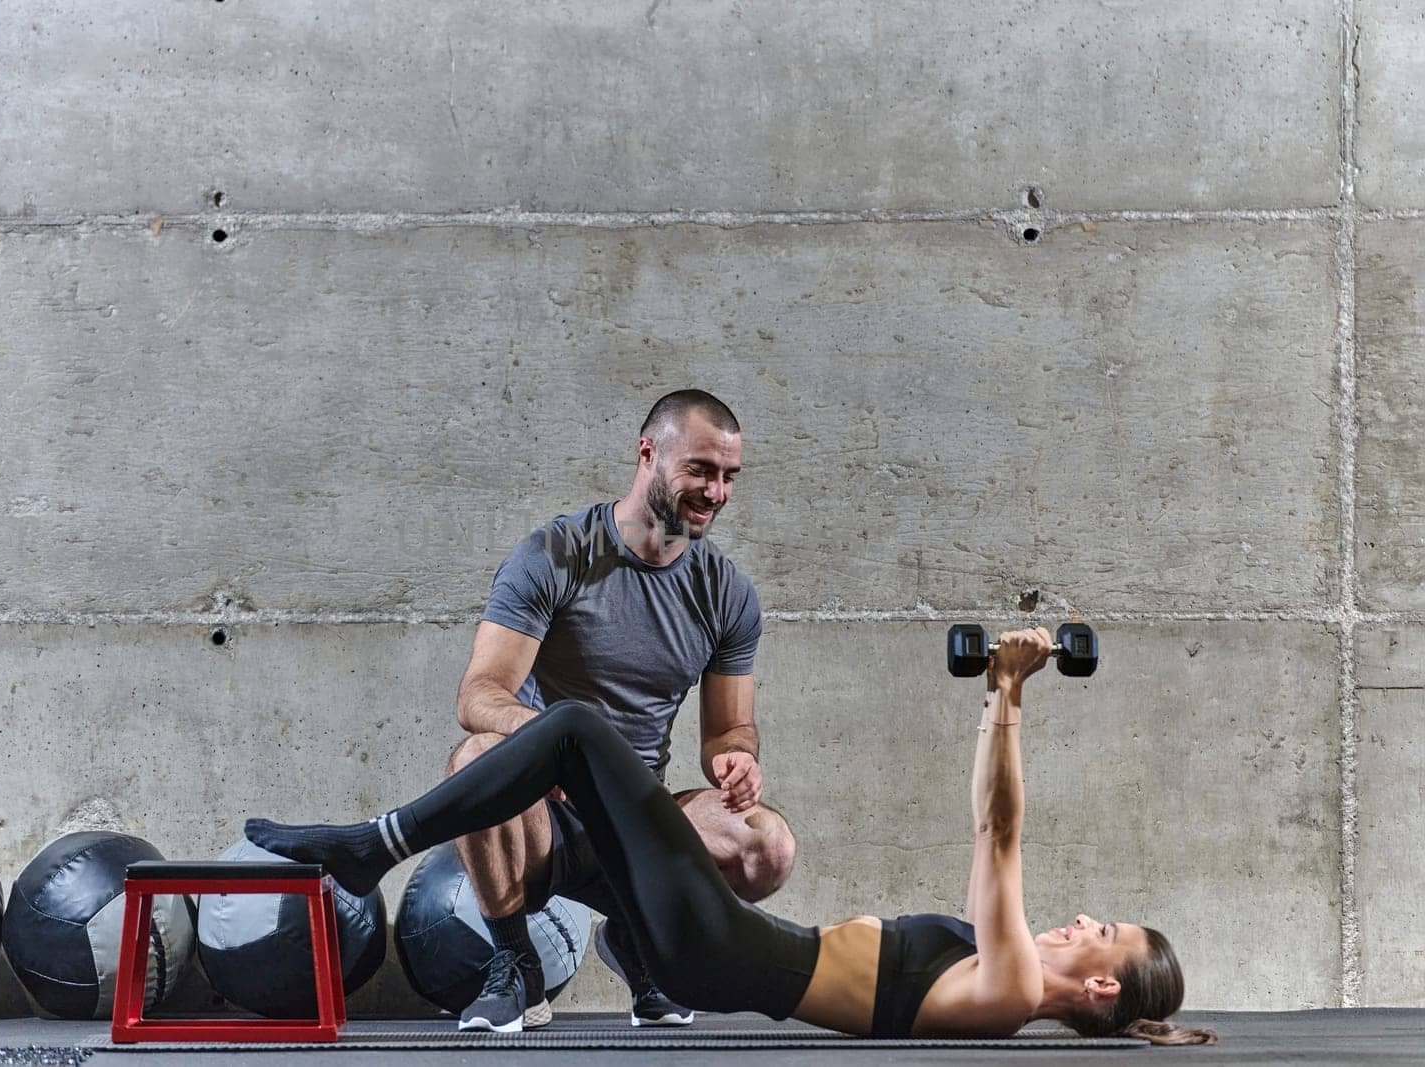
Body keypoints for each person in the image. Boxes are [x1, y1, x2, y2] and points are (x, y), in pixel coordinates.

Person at [248, 628, 1217, 1044]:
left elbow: (996, 830)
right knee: (573, 774)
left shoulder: (1006, 988)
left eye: (1106, 929)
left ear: (1098, 985)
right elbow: (987, 852)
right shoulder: (988, 970)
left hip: (724, 949)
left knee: (579, 727)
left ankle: (373, 844)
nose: (1084, 916)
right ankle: (403, 852)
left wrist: (1007, 694)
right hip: (717, 951)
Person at [443, 389, 793, 1029]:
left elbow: (726, 730)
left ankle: (635, 942)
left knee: (766, 847)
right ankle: (516, 963)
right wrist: (551, 745)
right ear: (648, 454)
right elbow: (479, 695)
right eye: (700, 470)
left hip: (635, 818)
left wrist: (738, 758)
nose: (715, 493)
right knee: (475, 758)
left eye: (728, 476)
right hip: (541, 813)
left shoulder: (727, 592)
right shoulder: (557, 554)